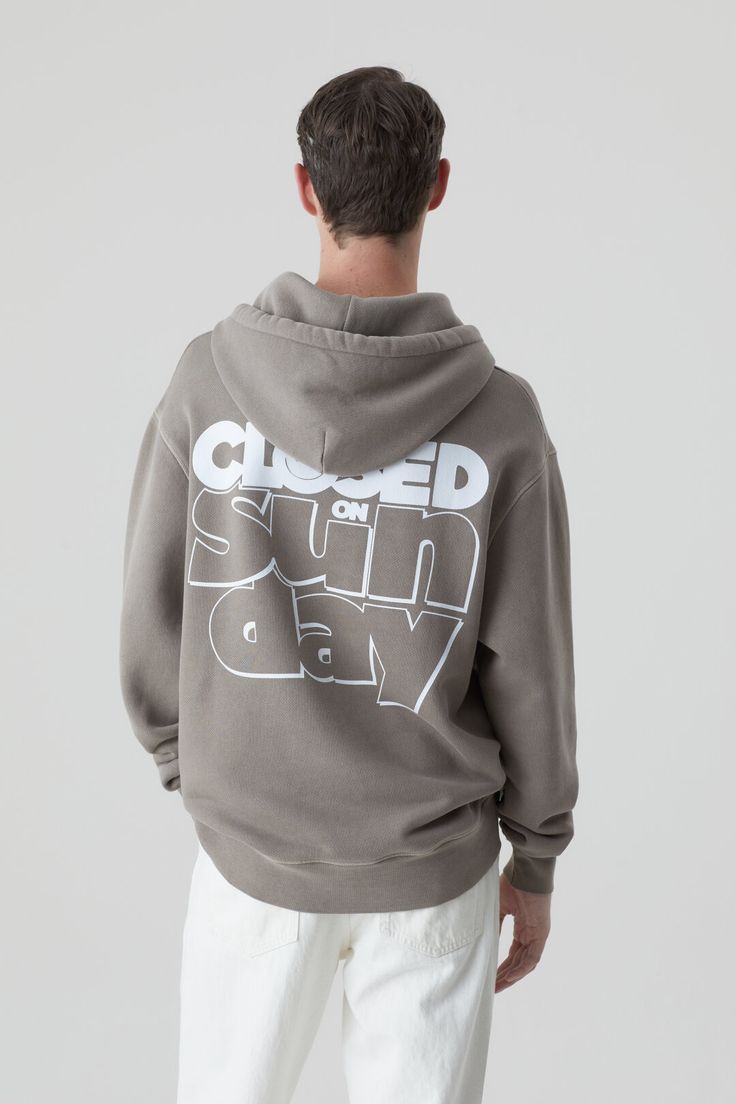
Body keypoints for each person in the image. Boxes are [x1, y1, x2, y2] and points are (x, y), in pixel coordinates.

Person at [120, 65, 578, 1104]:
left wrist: (205, 774)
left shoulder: (206, 384)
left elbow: (151, 608)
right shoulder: (501, 419)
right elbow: (532, 664)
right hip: (432, 866)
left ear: (305, 188)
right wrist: (537, 856)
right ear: (438, 186)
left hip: (250, 857)